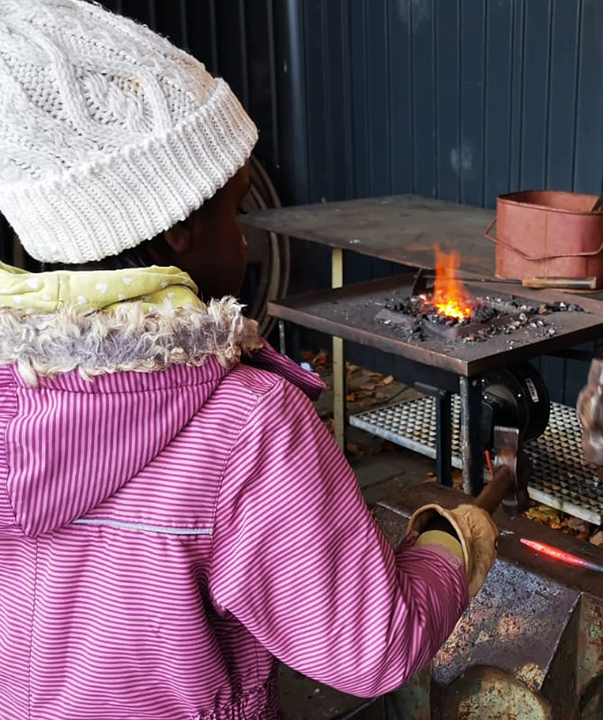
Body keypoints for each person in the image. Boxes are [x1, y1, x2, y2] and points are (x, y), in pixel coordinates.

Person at [0, 1, 497, 718]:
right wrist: (452, 549)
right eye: (233, 212)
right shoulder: (247, 424)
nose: (241, 237)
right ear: (176, 231)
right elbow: (374, 648)